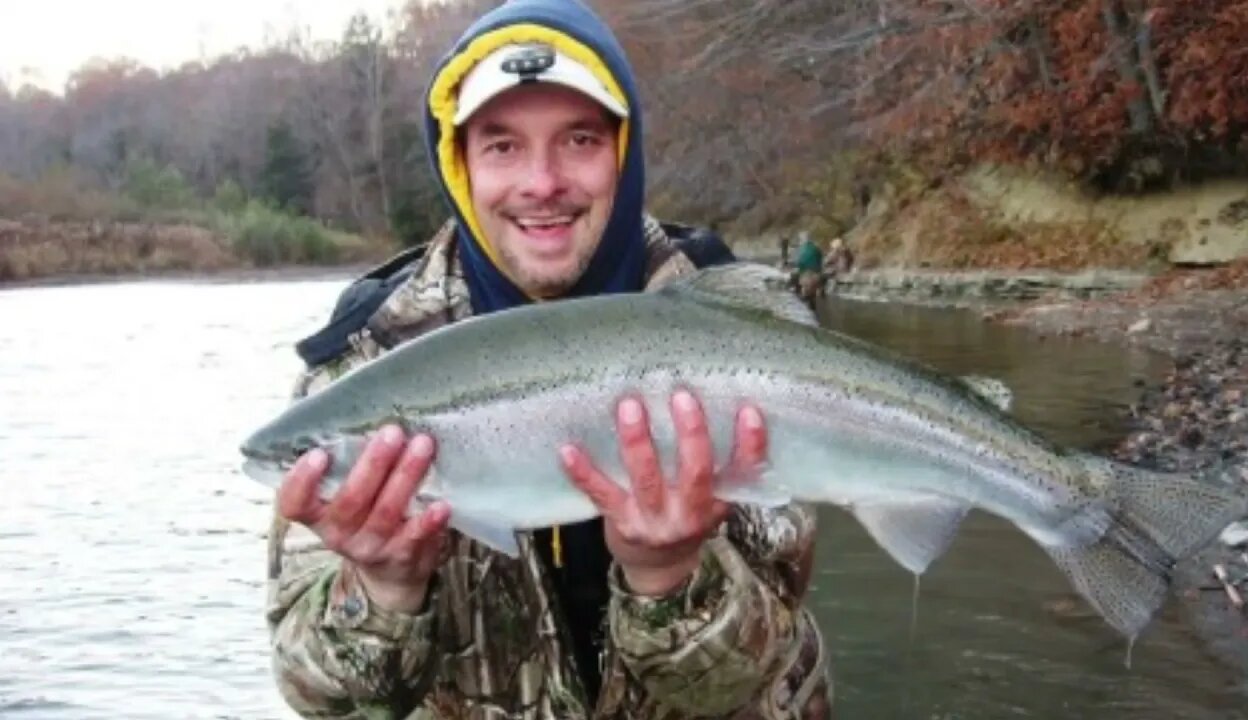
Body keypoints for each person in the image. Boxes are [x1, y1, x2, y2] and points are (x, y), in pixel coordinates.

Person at [263, 1, 831, 718]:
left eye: (579, 139)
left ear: (624, 153)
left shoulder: (730, 339)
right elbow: (323, 700)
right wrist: (383, 591)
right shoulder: (362, 364)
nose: (542, 182)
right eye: (502, 146)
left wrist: (670, 577)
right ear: (459, 164)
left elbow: (752, 677)